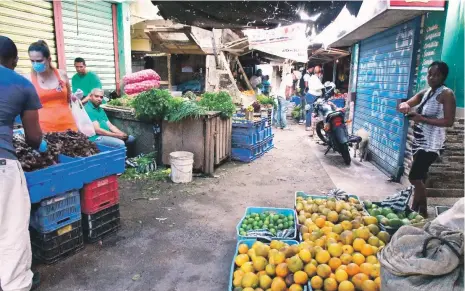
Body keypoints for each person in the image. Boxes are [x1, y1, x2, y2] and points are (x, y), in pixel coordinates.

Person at [0, 36, 45, 291]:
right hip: (2, 161)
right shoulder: (21, 84)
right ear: (14, 60)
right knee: (11, 227)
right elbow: (33, 137)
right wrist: (41, 145)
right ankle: (16, 284)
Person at [398, 61, 456, 217]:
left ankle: (423, 212)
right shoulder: (427, 92)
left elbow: (448, 121)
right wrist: (404, 105)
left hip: (432, 144)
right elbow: (409, 102)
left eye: (436, 75)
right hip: (419, 142)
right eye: (430, 74)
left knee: (414, 177)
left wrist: (421, 119)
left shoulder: (446, 94)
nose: (432, 78)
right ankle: (414, 209)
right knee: (420, 178)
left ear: (443, 76)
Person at [26, 40, 77, 133]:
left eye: (39, 61)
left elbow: (69, 98)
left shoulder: (62, 75)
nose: (35, 64)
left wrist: (75, 97)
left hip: (69, 127)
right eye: (32, 61)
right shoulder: (28, 79)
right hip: (44, 130)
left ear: (49, 59)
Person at [85, 88, 135, 153]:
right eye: (96, 96)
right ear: (91, 96)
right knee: (120, 143)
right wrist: (116, 135)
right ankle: (120, 162)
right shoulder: (88, 109)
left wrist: (121, 134)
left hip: (106, 135)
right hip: (96, 138)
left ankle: (128, 160)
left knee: (130, 139)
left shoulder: (100, 109)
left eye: (101, 97)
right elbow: (97, 130)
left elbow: (110, 126)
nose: (99, 99)